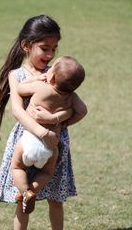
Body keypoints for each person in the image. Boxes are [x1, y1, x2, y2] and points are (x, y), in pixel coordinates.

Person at [0, 14, 87, 230]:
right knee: (23, 197)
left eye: (54, 48)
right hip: (27, 140)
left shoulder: (58, 74)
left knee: (56, 199)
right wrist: (43, 133)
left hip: (56, 144)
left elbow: (75, 108)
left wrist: (58, 121)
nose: (51, 53)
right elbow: (18, 112)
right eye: (45, 48)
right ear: (26, 46)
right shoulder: (18, 75)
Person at [11, 56, 86, 213]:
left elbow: (20, 89)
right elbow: (82, 111)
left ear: (51, 76)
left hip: (30, 139)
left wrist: (36, 79)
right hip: (51, 146)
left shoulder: (40, 86)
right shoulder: (72, 98)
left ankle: (25, 192)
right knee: (47, 172)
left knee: (17, 167)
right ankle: (33, 190)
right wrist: (65, 122)